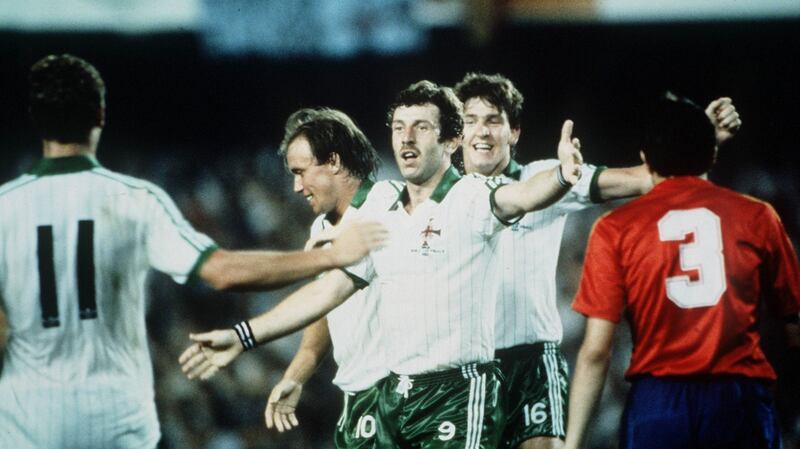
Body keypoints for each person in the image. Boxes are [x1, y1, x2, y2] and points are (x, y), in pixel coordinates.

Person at [0, 54, 385, 449]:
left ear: (35, 117)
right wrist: (330, 256)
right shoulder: (135, 200)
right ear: (100, 115)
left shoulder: (5, 207)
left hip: (27, 417)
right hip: (113, 416)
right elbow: (222, 271)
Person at [179, 79, 583, 449]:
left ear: (451, 139)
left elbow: (523, 195)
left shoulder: (472, 197)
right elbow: (327, 292)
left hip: (458, 394)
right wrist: (244, 335)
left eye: (421, 127)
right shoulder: (382, 219)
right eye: (398, 127)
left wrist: (562, 176)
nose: (406, 137)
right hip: (397, 398)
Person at [451, 73, 742, 449]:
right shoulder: (438, 199)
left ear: (515, 132)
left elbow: (641, 179)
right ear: (457, 133)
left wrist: (696, 141)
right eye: (471, 121)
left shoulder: (546, 176)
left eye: (493, 120)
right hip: (462, 368)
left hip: (532, 364)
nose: (482, 132)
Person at [565, 94, 800, 449]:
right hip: (740, 399)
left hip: (659, 404)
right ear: (713, 152)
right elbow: (794, 328)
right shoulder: (758, 216)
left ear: (644, 158)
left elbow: (597, 351)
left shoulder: (616, 229)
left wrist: (571, 444)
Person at [267, 107, 402, 448]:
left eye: (301, 172)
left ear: (335, 162)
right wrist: (296, 376)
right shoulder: (322, 227)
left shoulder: (389, 203)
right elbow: (326, 308)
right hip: (357, 395)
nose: (297, 187)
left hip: (396, 393)